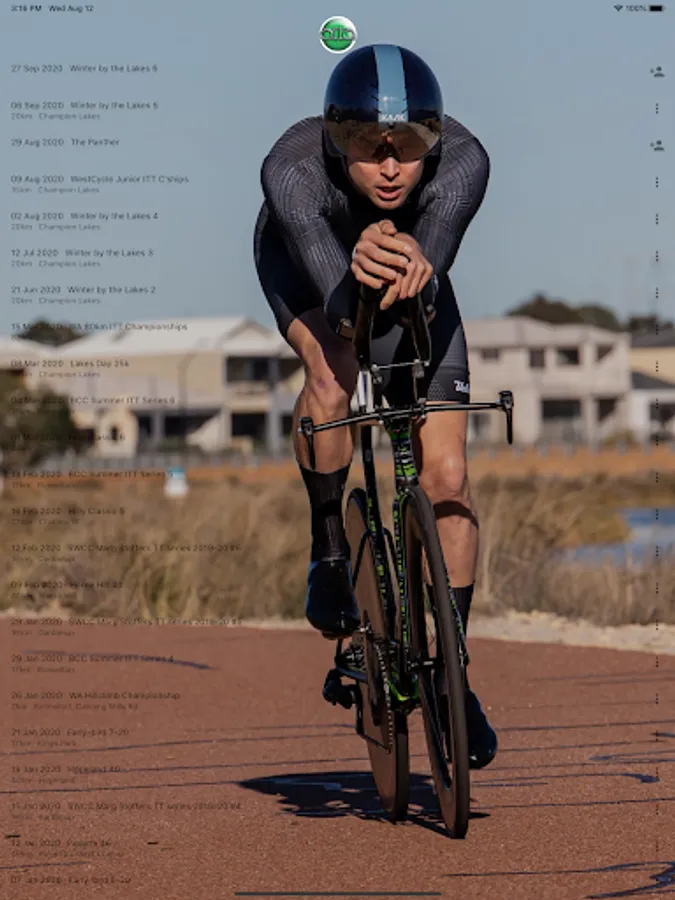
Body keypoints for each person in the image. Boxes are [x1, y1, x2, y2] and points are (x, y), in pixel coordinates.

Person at [253, 44, 496, 769]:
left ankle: (452, 673)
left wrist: (416, 265)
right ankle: (328, 542)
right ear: (337, 140)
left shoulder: (464, 163)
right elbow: (343, 310)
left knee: (447, 478)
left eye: (408, 148)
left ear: (434, 140)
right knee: (335, 370)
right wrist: (356, 266)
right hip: (308, 271)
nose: (390, 167)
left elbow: (429, 273)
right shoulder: (292, 170)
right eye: (369, 148)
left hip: (409, 279)